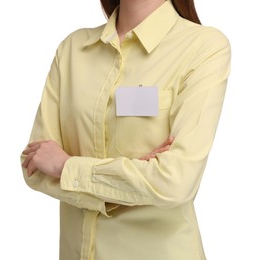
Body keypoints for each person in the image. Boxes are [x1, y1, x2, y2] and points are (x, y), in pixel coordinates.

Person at [21, 0, 231, 259]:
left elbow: (176, 182)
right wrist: (132, 182)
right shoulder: (72, 50)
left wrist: (66, 167)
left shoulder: (204, 47)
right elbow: (35, 166)